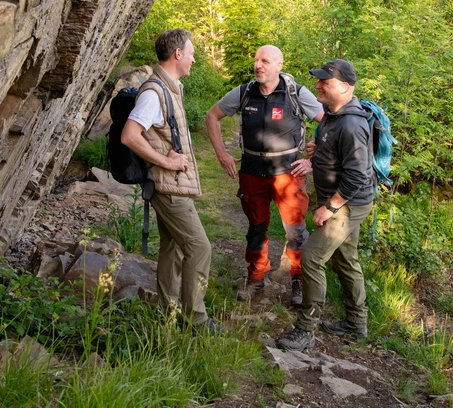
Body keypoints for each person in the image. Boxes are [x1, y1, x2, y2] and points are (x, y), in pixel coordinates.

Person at [204, 45, 323, 306]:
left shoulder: (296, 93)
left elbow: (328, 123)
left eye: (265, 61)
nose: (258, 65)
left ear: (279, 65)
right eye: (256, 60)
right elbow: (212, 116)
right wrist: (222, 155)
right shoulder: (245, 92)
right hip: (251, 172)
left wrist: (312, 160)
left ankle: (298, 281)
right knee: (256, 228)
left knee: (295, 232)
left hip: (288, 174)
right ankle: (255, 279)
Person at [121, 29, 221, 332]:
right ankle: (196, 320)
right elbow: (130, 135)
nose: (193, 58)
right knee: (199, 247)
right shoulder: (154, 93)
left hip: (170, 183)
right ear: (177, 53)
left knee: (172, 247)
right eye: (191, 52)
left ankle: (169, 312)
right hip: (167, 185)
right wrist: (166, 161)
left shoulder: (171, 87)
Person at [276, 59, 373, 351]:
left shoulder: (353, 123)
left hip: (348, 204)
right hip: (343, 200)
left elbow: (357, 174)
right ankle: (357, 323)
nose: (317, 86)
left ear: (343, 87)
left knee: (311, 257)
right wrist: (317, 154)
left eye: (324, 82)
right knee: (346, 260)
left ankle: (306, 330)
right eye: (318, 81)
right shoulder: (333, 115)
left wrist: (330, 207)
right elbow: (338, 157)